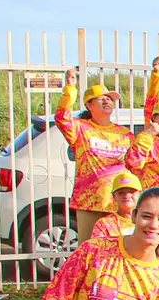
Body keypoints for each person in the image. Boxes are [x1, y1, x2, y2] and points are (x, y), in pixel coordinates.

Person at [52, 70, 137, 243]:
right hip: (88, 203)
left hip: (119, 203)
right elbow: (62, 118)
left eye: (109, 98)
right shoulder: (81, 128)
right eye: (101, 98)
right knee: (90, 250)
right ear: (89, 105)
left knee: (119, 249)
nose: (107, 101)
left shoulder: (125, 134)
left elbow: (135, 163)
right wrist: (70, 89)